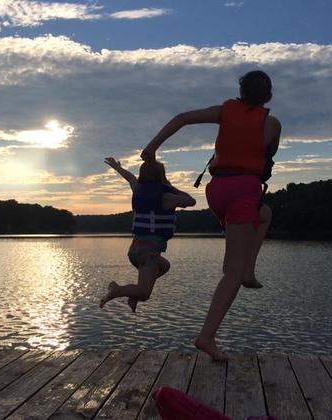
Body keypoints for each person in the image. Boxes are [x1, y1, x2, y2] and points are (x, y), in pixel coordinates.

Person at [141, 70, 282, 360]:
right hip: (243, 189)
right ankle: (206, 336)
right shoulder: (272, 123)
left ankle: (249, 270)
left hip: (216, 190)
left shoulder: (223, 111)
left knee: (265, 214)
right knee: (231, 271)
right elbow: (266, 154)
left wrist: (151, 148)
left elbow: (181, 118)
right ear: (267, 96)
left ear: (240, 91)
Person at [99, 157, 196, 312]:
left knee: (164, 266)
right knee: (145, 293)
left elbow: (130, 177)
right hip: (148, 254)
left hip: (136, 250)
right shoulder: (166, 197)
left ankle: (133, 294)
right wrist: (170, 187)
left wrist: (118, 168)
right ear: (161, 176)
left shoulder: (138, 189)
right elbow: (191, 201)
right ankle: (117, 290)